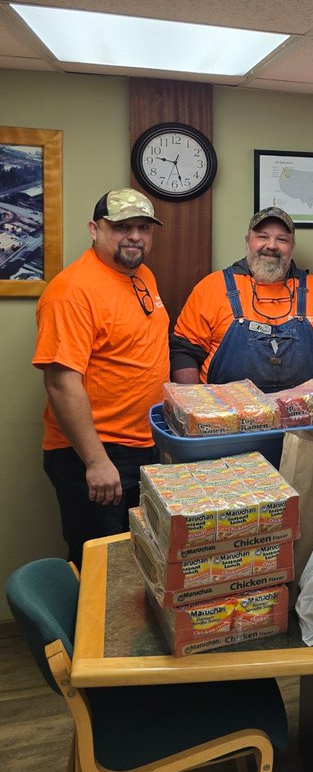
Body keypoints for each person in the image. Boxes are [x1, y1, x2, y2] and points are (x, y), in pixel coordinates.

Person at [34, 189, 169, 566]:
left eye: (144, 228)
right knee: (101, 567)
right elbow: (60, 383)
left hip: (144, 447)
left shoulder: (142, 275)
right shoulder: (71, 292)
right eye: (122, 227)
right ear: (94, 230)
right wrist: (95, 462)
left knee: (140, 563)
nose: (135, 237)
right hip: (97, 453)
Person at [170, 207, 313, 393]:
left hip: (302, 410)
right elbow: (184, 352)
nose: (272, 245)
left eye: (282, 239)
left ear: (292, 246)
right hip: (227, 409)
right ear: (248, 241)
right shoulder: (211, 288)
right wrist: (196, 403)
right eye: (262, 237)